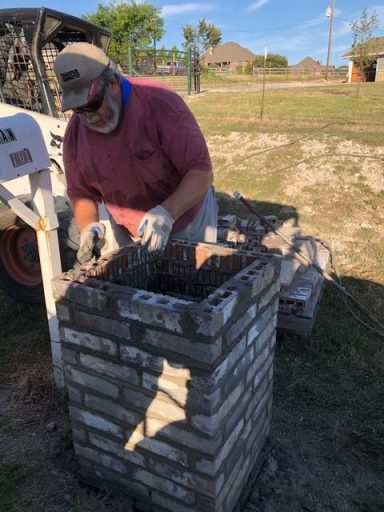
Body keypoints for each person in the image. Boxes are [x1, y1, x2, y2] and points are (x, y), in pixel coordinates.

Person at [53, 42, 217, 262]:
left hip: (185, 217)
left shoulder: (160, 104)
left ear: (111, 83)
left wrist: (167, 213)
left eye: (92, 105)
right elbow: (81, 192)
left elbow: (201, 172)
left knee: (190, 286)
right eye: (77, 108)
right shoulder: (75, 135)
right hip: (127, 226)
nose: (87, 116)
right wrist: (88, 225)